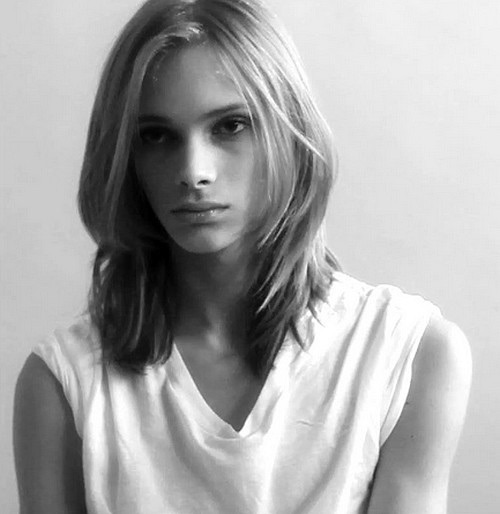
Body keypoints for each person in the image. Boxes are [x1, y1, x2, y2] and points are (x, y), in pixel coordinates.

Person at [13, 0, 472, 512]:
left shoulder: (408, 357)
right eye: (156, 136)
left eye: (230, 126)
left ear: (289, 131)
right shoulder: (64, 384)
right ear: (124, 155)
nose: (194, 172)